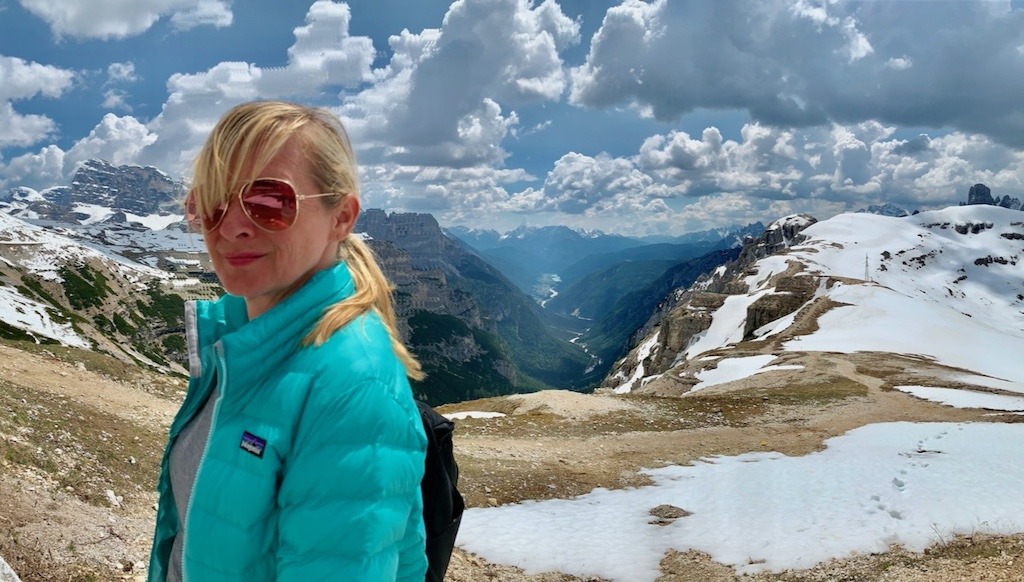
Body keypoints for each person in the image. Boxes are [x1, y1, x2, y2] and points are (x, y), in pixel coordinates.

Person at [148, 100, 428, 581]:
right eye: (212, 202)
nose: (232, 225)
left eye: (269, 202)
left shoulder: (351, 386)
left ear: (341, 217)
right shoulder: (244, 344)